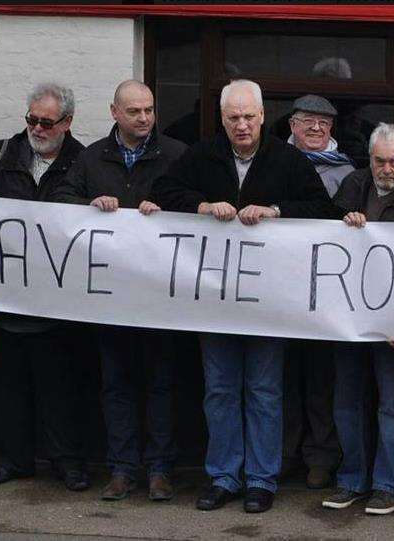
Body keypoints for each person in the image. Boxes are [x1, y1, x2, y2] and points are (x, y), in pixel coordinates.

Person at [150, 79, 334, 514]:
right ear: (223, 119)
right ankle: (223, 476)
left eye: (249, 116)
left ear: (263, 116)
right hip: (214, 302)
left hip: (267, 303)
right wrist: (203, 207)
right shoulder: (203, 155)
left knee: (265, 390)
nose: (242, 125)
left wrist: (275, 212)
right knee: (219, 389)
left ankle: (261, 479)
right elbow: (163, 192)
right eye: (233, 117)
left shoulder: (287, 160)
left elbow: (322, 211)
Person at [50, 79, 188, 502]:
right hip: (109, 295)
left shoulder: (176, 154)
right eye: (134, 111)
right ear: (114, 112)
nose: (144, 118)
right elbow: (61, 198)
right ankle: (123, 469)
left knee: (162, 384)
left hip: (160, 294)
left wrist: (168, 209)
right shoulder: (91, 159)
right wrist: (89, 207)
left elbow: (196, 202)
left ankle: (161, 470)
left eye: (149, 110)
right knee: (118, 385)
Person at [0, 83, 90, 491]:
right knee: (8, 384)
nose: (37, 128)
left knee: (60, 385)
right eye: (31, 119)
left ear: (67, 123)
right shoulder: (0, 155)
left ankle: (68, 462)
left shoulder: (83, 160)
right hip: (6, 293)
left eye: (46, 122)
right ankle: (14, 459)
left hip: (59, 297)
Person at [321, 123, 394, 516]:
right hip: (349, 315)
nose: (386, 169)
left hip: (393, 322)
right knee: (346, 401)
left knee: (392, 404)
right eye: (379, 161)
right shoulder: (353, 185)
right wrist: (343, 222)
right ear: (369, 159)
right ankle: (351, 480)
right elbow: (321, 237)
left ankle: (389, 485)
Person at [280, 94, 353, 489]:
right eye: (307, 121)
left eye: (324, 123)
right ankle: (284, 454)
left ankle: (321, 458)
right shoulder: (274, 162)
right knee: (283, 377)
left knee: (322, 380)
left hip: (327, 291)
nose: (315, 129)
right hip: (280, 288)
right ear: (292, 124)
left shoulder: (347, 172)